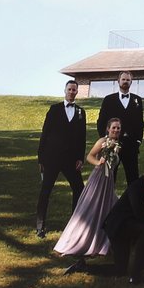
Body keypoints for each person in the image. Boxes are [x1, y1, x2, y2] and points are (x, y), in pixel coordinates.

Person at [54, 118, 127, 263]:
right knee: (91, 207)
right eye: (113, 127)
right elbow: (89, 156)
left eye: (118, 128)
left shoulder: (118, 145)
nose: (116, 130)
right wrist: (98, 162)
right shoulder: (102, 141)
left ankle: (101, 239)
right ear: (108, 129)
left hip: (108, 181)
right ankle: (78, 239)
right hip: (98, 179)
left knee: (108, 209)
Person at [34, 79, 88, 236]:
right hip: (52, 158)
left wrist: (80, 158)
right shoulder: (54, 109)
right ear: (65, 91)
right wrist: (41, 158)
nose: (71, 92)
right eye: (69, 89)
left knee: (79, 189)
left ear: (77, 92)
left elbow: (82, 137)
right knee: (46, 190)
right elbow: (45, 133)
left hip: (71, 160)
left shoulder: (80, 112)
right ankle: (40, 226)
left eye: (74, 90)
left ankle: (75, 224)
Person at [102, 157, 144, 283]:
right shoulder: (137, 186)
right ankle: (136, 274)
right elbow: (138, 213)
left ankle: (139, 268)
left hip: (129, 223)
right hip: (117, 226)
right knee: (120, 270)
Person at [96, 71, 144, 168]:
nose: (125, 81)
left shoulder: (137, 100)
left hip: (131, 145)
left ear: (131, 82)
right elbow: (101, 121)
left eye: (128, 80)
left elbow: (140, 122)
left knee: (133, 175)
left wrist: (138, 140)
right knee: (110, 174)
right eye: (123, 79)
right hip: (112, 144)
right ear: (118, 81)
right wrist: (105, 140)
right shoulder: (108, 100)